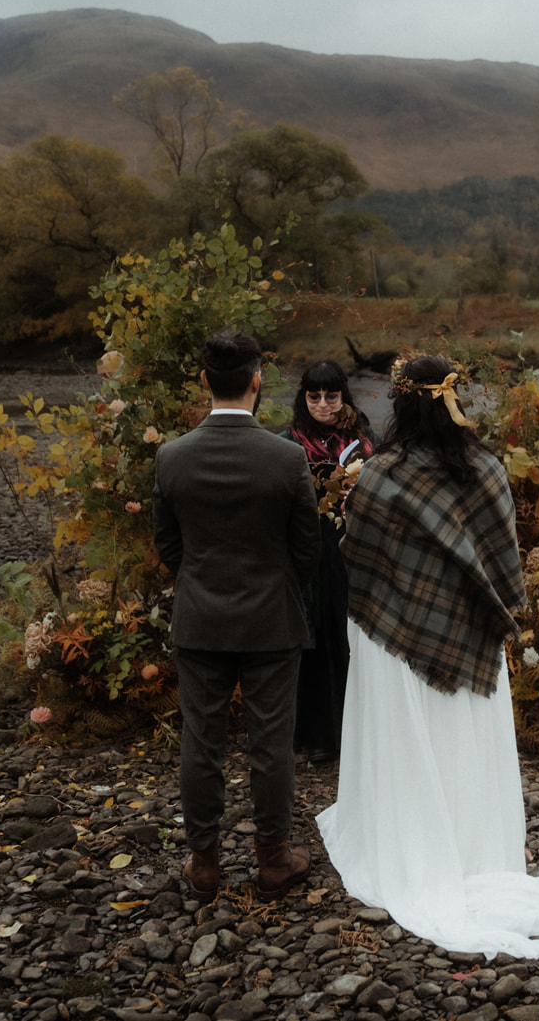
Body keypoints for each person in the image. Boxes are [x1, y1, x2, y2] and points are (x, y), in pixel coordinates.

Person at [316, 354, 539, 959]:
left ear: (401, 404)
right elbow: (500, 562)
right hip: (469, 631)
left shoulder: (381, 473)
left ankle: (408, 845)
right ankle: (474, 850)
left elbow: (359, 557)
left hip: (390, 634)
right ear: (452, 400)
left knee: (406, 738)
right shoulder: (487, 468)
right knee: (460, 738)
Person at [153, 331, 322, 903]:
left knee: (200, 741)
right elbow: (307, 547)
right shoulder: (287, 457)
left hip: (201, 618)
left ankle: (204, 863)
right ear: (257, 380)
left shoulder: (172, 456)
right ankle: (273, 858)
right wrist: (278, 587)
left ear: (204, 381)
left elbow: (168, 547)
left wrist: (201, 582)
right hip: (271, 618)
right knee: (271, 743)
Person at [279, 359, 378, 760]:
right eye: (315, 396)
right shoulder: (288, 441)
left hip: (354, 550)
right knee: (309, 643)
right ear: (304, 398)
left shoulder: (365, 439)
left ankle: (353, 737)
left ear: (343, 396)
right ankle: (312, 736)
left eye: (331, 396)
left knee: (349, 638)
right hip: (306, 551)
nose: (323, 404)